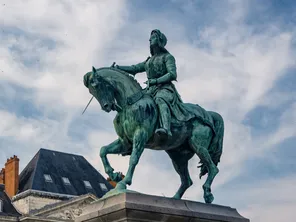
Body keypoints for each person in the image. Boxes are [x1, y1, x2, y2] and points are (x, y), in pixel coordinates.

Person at [115, 29, 193, 140]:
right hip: (149, 90)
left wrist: (156, 81)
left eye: (154, 37)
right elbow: (134, 68)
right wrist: (118, 68)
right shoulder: (149, 60)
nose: (150, 39)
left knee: (160, 100)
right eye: (150, 38)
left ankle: (166, 128)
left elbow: (172, 74)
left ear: (160, 41)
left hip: (164, 88)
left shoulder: (167, 57)